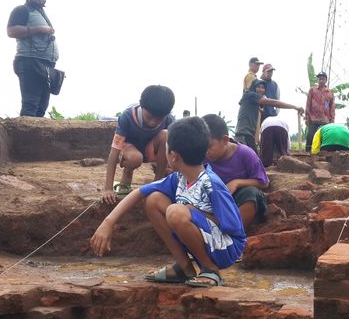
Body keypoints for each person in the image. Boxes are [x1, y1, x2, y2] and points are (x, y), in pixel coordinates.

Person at [91, 117, 245, 288]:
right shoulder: (178, 178)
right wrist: (108, 222)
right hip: (207, 238)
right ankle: (184, 268)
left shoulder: (211, 184)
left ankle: (210, 269)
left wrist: (192, 212)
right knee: (153, 200)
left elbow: (234, 228)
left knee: (176, 211)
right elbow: (139, 192)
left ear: (173, 156)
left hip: (226, 248)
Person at [101, 85, 175, 205]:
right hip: (130, 150)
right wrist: (108, 188)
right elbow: (114, 152)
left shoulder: (169, 120)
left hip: (151, 150)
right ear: (142, 106)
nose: (153, 122)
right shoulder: (127, 117)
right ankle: (127, 173)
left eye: (158, 119)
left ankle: (158, 182)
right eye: (149, 117)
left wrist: (170, 168)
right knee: (135, 158)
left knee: (167, 135)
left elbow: (174, 148)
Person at [204, 114, 269, 230]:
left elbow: (264, 183)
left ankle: (234, 232)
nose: (205, 152)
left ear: (225, 140)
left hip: (239, 200)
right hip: (217, 201)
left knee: (251, 193)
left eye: (209, 147)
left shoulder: (245, 154)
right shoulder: (203, 157)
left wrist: (237, 183)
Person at [7, 0, 60, 117]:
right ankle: (24, 135)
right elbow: (11, 31)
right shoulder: (22, 10)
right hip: (30, 61)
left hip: (45, 64)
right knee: (31, 105)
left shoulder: (39, 12)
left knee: (42, 106)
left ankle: (35, 135)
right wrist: (39, 29)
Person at [234, 79, 304, 153]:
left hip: (247, 135)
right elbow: (274, 103)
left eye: (263, 87)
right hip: (244, 135)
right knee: (254, 161)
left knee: (251, 160)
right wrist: (295, 107)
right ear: (253, 87)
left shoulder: (253, 102)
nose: (261, 89)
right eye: (258, 87)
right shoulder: (251, 95)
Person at [305, 71, 336, 152]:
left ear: (326, 80)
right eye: (319, 79)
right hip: (313, 119)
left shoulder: (330, 92)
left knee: (324, 140)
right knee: (310, 137)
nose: (321, 80)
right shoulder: (312, 90)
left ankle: (323, 156)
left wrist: (332, 121)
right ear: (317, 80)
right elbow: (308, 104)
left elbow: (332, 107)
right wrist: (307, 118)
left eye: (323, 79)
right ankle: (307, 155)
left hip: (325, 121)